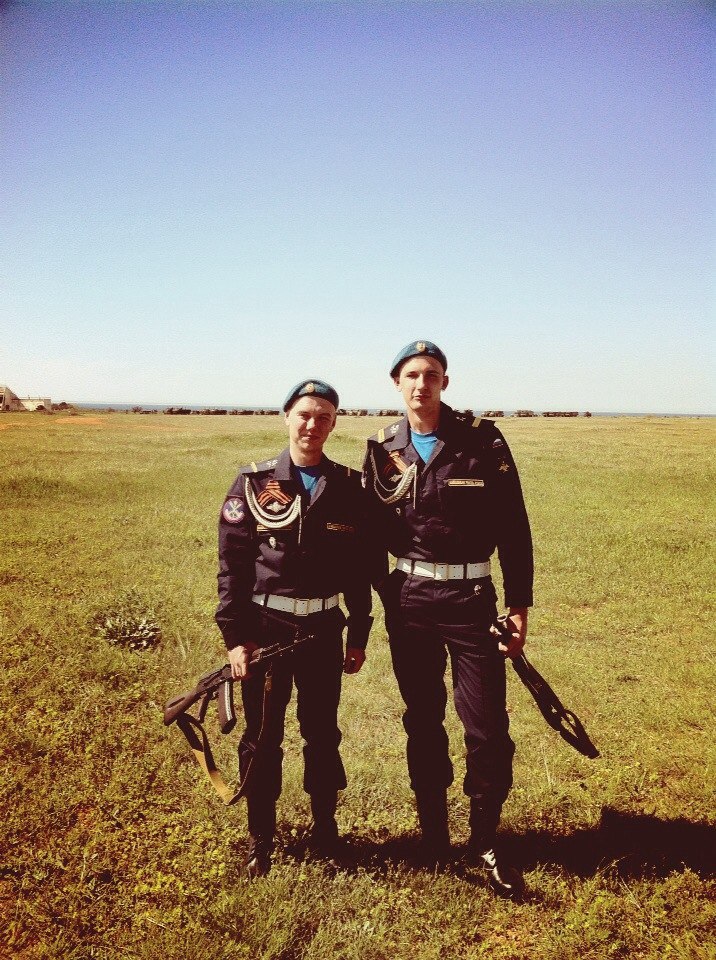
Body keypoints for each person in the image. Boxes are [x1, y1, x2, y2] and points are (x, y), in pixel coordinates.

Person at [363, 340, 533, 897]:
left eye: (431, 374)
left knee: (487, 728)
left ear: (445, 382)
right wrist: (386, 590)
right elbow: (370, 532)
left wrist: (518, 606)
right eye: (412, 375)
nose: (422, 384)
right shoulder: (383, 447)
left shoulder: (482, 440)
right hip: (410, 602)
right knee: (423, 719)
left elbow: (514, 526)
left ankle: (485, 841)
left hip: (470, 600)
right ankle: (434, 836)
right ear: (397, 383)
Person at [216, 379, 372, 878]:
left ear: (334, 424)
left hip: (323, 630)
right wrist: (235, 639)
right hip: (266, 630)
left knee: (322, 734)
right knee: (262, 738)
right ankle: (260, 839)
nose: (312, 425)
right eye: (304, 414)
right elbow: (232, 568)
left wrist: (359, 633)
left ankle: (325, 830)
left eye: (324, 417)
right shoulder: (253, 482)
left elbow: (359, 570)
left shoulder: (349, 486)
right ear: (286, 417)